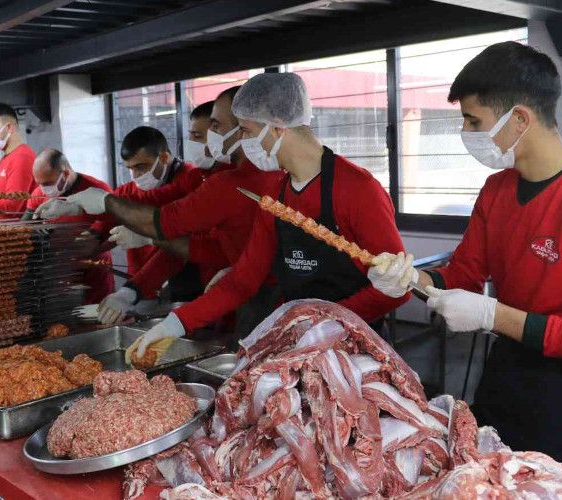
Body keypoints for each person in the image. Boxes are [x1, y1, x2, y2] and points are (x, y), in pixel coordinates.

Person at [367, 42, 562, 485]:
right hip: (505, 381)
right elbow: (463, 275)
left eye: (474, 122)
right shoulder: (497, 191)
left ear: (520, 118)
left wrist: (494, 314)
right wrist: (409, 279)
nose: (466, 133)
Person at [130, 72, 409, 358]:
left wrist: (325, 323)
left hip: (357, 347)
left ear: (277, 128)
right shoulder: (276, 195)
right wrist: (176, 323)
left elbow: (399, 287)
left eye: (247, 131)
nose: (241, 140)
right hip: (300, 344)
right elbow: (243, 280)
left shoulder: (358, 189)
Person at [73, 86, 284, 336]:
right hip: (225, 294)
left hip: (256, 298)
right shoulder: (205, 178)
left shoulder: (238, 182)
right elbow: (155, 205)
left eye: (211, 130)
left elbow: (167, 222)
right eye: (194, 135)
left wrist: (110, 205)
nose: (200, 142)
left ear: (246, 131)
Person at [39, 126, 207, 306]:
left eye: (141, 167)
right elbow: (118, 211)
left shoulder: (191, 179)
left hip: (188, 280)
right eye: (130, 168)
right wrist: (94, 236)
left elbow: (151, 201)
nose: (136, 175)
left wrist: (91, 205)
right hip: (141, 282)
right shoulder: (132, 188)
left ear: (164, 158)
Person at [24, 148, 115, 304]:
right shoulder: (38, 194)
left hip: (94, 273)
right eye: (40, 184)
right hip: (59, 275)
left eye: (47, 184)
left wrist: (91, 245)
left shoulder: (97, 190)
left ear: (65, 173)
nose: (44, 190)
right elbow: (25, 227)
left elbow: (115, 231)